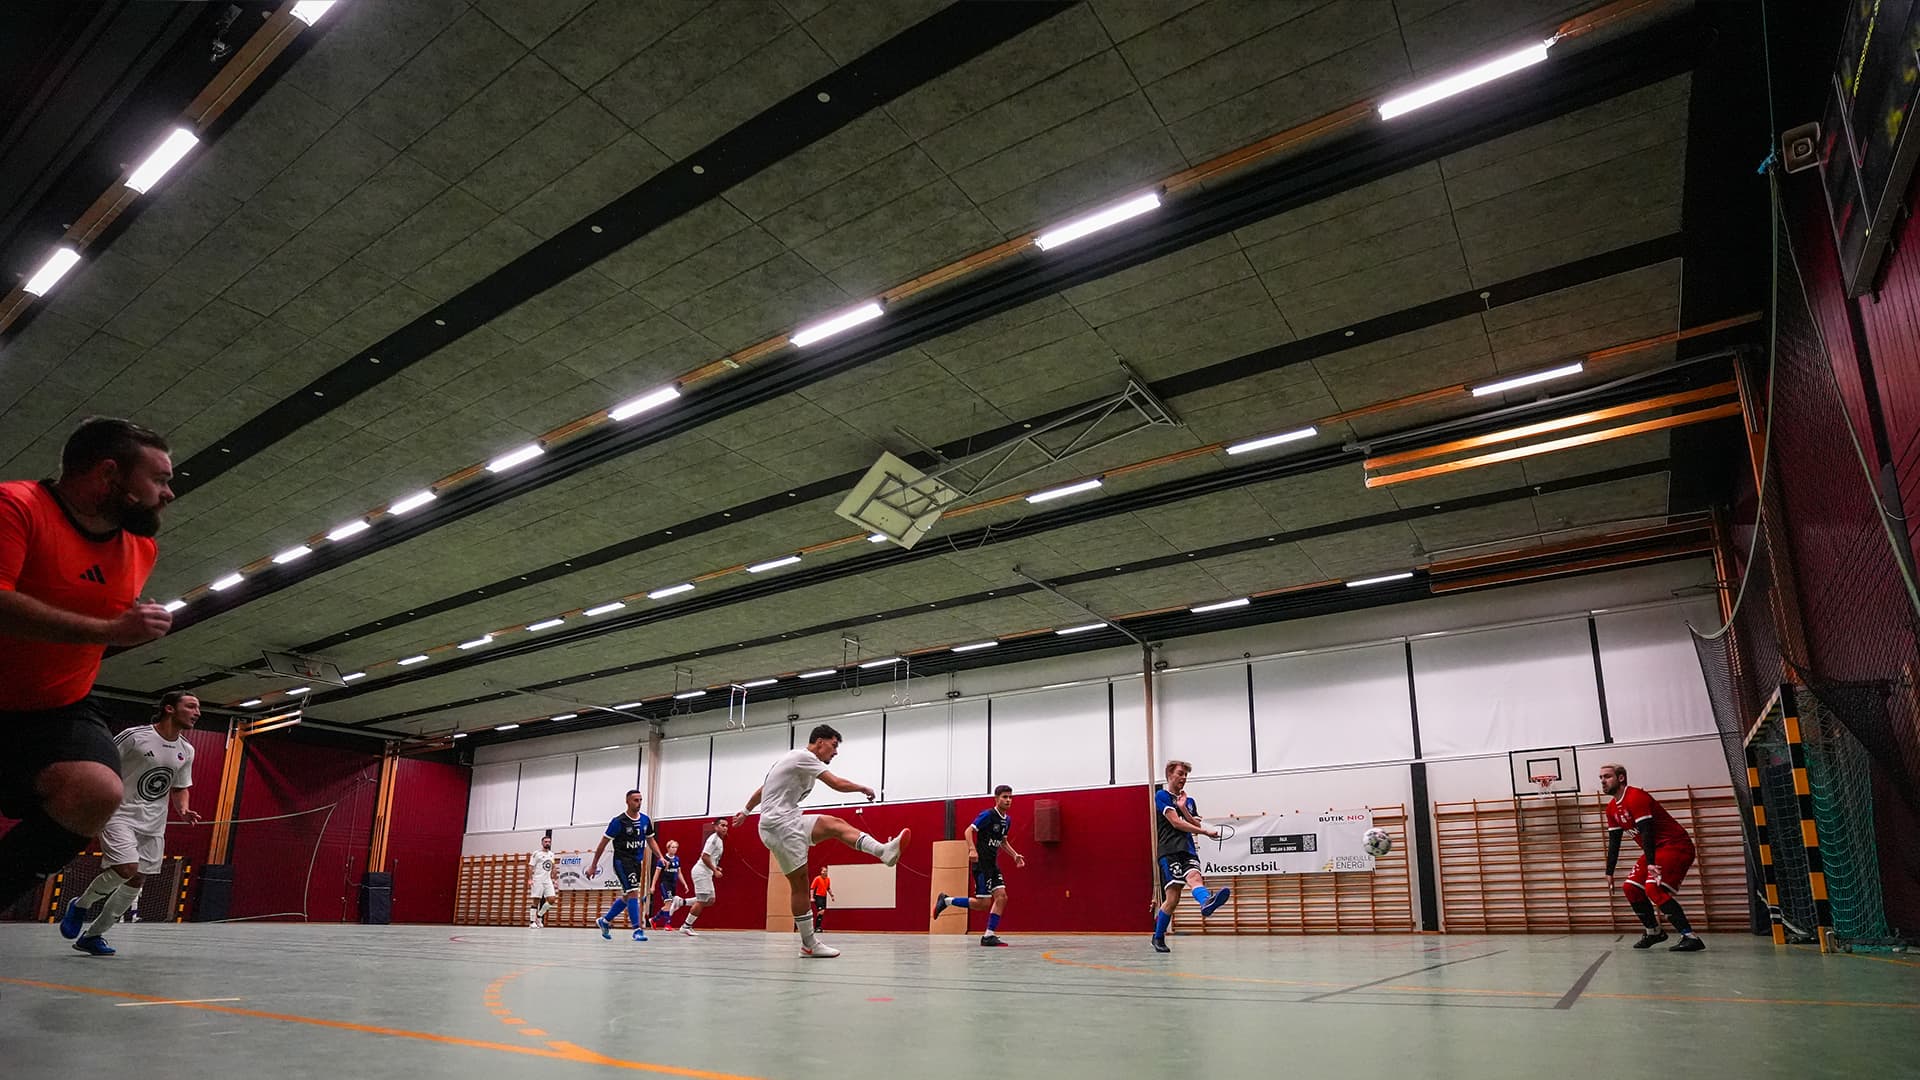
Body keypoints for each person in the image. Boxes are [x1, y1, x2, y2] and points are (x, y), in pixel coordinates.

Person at [0, 418, 175, 910]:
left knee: (95, 791)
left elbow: (87, 621)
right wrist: (109, 631)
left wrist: (124, 630)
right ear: (109, 473)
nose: (168, 493)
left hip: (56, 707)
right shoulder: (16, 507)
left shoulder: (141, 548)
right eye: (159, 479)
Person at [734, 723, 908, 958]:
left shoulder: (796, 761)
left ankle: (883, 851)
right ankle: (809, 944)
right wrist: (863, 787)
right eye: (833, 746)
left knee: (834, 824)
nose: (835, 752)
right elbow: (836, 783)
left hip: (788, 820)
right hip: (779, 826)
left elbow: (763, 790)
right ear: (820, 742)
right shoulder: (803, 757)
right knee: (800, 884)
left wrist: (746, 811)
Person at [57, 690, 199, 956]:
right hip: (119, 813)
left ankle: (93, 936)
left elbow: (180, 786)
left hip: (153, 823)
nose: (197, 713)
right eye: (191, 706)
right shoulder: (135, 737)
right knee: (126, 868)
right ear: (169, 708)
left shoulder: (186, 750)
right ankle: (80, 905)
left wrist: (183, 809)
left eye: (197, 708)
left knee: (137, 879)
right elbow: (102, 762)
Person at [1601, 763, 1704, 952]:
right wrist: (1609, 871)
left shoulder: (1636, 796)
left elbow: (1647, 832)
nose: (1603, 781)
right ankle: (1654, 932)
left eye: (1607, 776)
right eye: (1601, 778)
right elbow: (1614, 841)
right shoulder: (1611, 809)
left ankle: (1690, 936)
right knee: (1630, 888)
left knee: (1652, 888)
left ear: (1621, 778)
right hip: (1657, 850)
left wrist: (1651, 864)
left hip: (1676, 846)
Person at [1151, 760, 1232, 952]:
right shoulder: (1161, 796)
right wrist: (1205, 832)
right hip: (1169, 850)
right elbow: (1175, 822)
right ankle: (1158, 937)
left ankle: (1206, 902)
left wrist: (1184, 808)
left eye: (1186, 775)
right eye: (1180, 773)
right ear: (1169, 774)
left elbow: (1195, 824)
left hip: (1188, 849)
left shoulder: (1189, 801)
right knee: (1173, 898)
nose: (1184, 778)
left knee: (1195, 877)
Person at [934, 784, 1027, 946]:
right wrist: (972, 849)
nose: (1008, 800)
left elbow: (1003, 842)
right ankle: (946, 900)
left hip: (992, 865)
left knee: (1002, 897)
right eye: (1004, 797)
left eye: (1010, 797)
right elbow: (968, 831)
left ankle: (988, 935)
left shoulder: (1007, 820)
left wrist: (1015, 855)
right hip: (982, 865)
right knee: (983, 904)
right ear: (996, 799)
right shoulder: (988, 815)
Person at [586, 789, 663, 941]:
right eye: (635, 800)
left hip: (636, 862)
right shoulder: (618, 821)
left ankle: (605, 921)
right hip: (622, 861)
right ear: (627, 801)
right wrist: (593, 865)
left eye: (640, 800)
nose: (639, 803)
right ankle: (637, 930)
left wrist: (660, 856)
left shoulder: (645, 820)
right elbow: (602, 844)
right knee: (634, 892)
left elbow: (650, 840)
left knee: (628, 896)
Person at [680, 817, 728, 937]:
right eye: (722, 825)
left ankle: (681, 902)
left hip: (707, 873)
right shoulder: (713, 839)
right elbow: (705, 856)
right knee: (702, 900)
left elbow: (711, 858)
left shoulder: (720, 840)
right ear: (715, 827)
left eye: (726, 826)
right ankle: (686, 926)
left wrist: (716, 867)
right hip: (701, 872)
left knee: (710, 900)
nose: (725, 828)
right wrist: (714, 871)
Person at [650, 839, 688, 928]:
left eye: (676, 847)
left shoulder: (677, 859)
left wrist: (684, 884)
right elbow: (656, 874)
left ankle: (654, 919)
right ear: (668, 848)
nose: (674, 849)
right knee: (668, 903)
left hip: (673, 884)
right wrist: (653, 886)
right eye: (672, 847)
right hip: (665, 884)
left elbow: (679, 873)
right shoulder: (662, 860)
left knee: (668, 905)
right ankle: (667, 924)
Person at [528, 834, 557, 929]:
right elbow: (530, 866)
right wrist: (530, 879)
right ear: (542, 843)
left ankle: (539, 916)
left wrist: (554, 879)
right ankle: (532, 922)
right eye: (546, 842)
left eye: (549, 842)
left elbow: (553, 867)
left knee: (552, 899)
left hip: (548, 880)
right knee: (536, 900)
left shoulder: (551, 854)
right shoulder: (536, 853)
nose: (547, 843)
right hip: (538, 879)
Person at [810, 867, 834, 932]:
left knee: (821, 912)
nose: (825, 872)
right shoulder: (817, 878)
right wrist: (811, 897)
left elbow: (828, 888)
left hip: (824, 897)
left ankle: (817, 927)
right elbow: (812, 888)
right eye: (824, 871)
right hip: (818, 896)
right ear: (821, 872)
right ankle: (817, 927)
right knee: (821, 911)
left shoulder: (828, 879)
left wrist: (832, 895)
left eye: (826, 871)